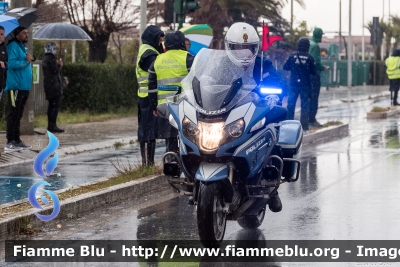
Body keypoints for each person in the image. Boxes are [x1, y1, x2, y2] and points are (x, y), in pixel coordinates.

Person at [224, 22, 283, 212]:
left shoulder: (262, 63)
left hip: (255, 111)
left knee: (272, 135)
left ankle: (272, 188)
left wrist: (273, 93)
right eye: (239, 47)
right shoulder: (222, 64)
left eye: (247, 47)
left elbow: (277, 83)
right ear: (230, 47)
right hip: (227, 112)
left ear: (254, 47)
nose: (243, 52)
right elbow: (208, 81)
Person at [148, 31, 195, 155]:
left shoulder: (157, 60)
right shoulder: (188, 59)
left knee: (170, 139)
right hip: (184, 107)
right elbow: (198, 82)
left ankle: (170, 161)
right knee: (187, 137)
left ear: (166, 44)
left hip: (164, 108)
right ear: (182, 43)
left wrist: (154, 106)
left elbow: (151, 87)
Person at [136, 25, 165, 167]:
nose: (160, 41)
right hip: (148, 97)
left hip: (145, 96)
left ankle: (147, 163)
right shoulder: (149, 53)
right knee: (148, 131)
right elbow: (157, 69)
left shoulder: (148, 49)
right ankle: (148, 164)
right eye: (159, 38)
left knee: (147, 129)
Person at [4, 26, 35, 151]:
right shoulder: (12, 46)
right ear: (17, 34)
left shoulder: (22, 47)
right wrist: (27, 61)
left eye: (27, 33)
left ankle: (17, 140)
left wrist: (30, 59)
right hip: (15, 87)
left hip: (23, 87)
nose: (27, 35)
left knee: (18, 114)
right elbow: (11, 64)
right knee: (13, 114)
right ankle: (10, 141)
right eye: (24, 33)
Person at [283, 37, 316, 135]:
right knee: (304, 106)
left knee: (291, 105)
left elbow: (286, 67)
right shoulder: (310, 58)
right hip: (305, 85)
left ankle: (288, 126)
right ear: (307, 46)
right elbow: (314, 72)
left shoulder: (292, 55)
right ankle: (304, 128)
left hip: (293, 84)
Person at [42, 42, 65, 133]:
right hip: (54, 85)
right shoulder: (51, 58)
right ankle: (53, 125)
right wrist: (60, 65)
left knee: (51, 105)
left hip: (47, 85)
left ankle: (50, 125)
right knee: (55, 105)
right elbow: (55, 71)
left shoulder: (44, 57)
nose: (55, 50)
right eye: (54, 48)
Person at [309, 28, 328, 127]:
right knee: (314, 97)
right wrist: (323, 68)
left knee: (307, 98)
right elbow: (315, 62)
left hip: (306, 75)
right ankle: (312, 120)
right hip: (314, 75)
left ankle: (306, 119)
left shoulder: (309, 43)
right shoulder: (315, 46)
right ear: (319, 35)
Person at [0, 26, 7, 100]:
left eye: (2, 34)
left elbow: (6, 62)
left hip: (1, 83)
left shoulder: (5, 48)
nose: (0, 36)